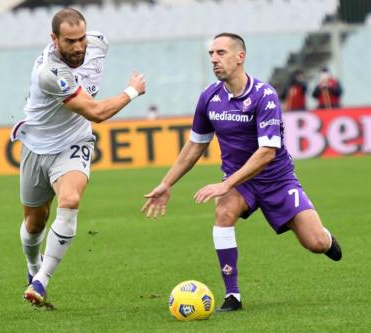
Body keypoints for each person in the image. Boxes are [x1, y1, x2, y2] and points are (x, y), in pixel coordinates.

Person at [141, 33, 341, 312]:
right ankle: (232, 296)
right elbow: (195, 146)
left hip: (277, 181)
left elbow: (267, 153)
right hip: (241, 182)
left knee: (315, 242)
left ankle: (326, 238)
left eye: (221, 53)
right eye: (211, 54)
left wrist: (226, 184)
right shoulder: (209, 98)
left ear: (240, 57)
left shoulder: (265, 96)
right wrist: (166, 183)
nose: (213, 59)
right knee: (223, 212)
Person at [10, 8, 145, 308]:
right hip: (36, 146)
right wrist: (131, 92)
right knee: (35, 223)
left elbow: (89, 119)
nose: (78, 47)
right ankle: (33, 268)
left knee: (69, 200)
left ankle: (42, 281)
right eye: (69, 41)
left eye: (81, 38)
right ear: (54, 39)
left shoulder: (98, 44)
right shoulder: (49, 72)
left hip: (73, 143)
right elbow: (96, 112)